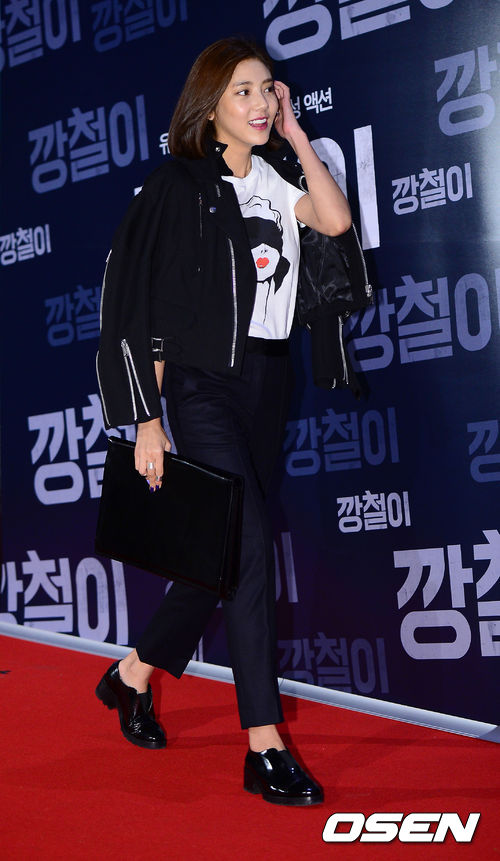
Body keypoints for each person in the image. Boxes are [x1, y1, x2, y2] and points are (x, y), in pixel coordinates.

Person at [95, 36, 352, 806]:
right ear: (210, 106)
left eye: (268, 89)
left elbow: (335, 221)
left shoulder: (276, 179)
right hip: (203, 384)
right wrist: (145, 418)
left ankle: (133, 672)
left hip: (270, 381)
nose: (261, 102)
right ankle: (264, 744)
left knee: (218, 555)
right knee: (247, 550)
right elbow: (139, 306)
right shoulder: (177, 185)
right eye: (243, 91)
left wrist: (298, 137)